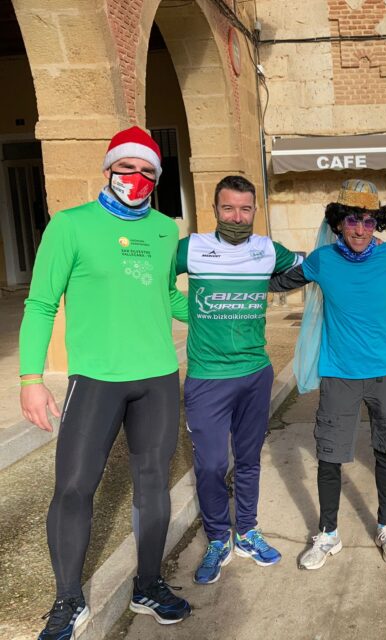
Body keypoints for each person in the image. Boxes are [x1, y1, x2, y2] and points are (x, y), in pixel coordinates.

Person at [19, 127, 192, 640]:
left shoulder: (164, 230)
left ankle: (148, 584)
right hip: (95, 379)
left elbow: (165, 297)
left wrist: (216, 316)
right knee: (73, 487)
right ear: (108, 168)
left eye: (147, 172)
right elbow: (40, 303)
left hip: (158, 377)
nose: (135, 179)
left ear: (156, 180)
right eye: (127, 168)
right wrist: (31, 377)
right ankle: (68, 600)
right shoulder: (69, 226)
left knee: (153, 485)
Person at [269, 179, 386, 570]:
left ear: (377, 223)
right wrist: (235, 264)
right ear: (338, 222)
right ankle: (328, 533)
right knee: (329, 457)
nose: (360, 229)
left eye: (368, 220)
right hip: (339, 374)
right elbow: (277, 281)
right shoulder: (322, 259)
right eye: (352, 220)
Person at [176, 176, 302, 585]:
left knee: (248, 461)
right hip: (208, 376)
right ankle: (217, 538)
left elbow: (310, 264)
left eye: (245, 209)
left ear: (254, 211)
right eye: (229, 208)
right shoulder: (191, 247)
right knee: (211, 464)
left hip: (254, 373)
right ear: (215, 210)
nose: (237, 216)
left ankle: (246, 531)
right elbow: (151, 280)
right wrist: (187, 310)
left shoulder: (266, 249)